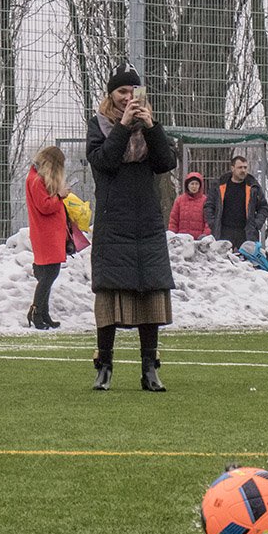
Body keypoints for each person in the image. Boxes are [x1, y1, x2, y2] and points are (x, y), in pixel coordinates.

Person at [86, 63, 178, 391]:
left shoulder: (150, 127)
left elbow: (166, 162)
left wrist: (151, 126)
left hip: (147, 223)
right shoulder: (99, 126)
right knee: (109, 294)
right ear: (111, 94)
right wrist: (124, 126)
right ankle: (104, 366)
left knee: (151, 292)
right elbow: (105, 162)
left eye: (133, 91)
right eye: (122, 91)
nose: (128, 97)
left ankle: (150, 368)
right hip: (114, 223)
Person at [25, 146, 71, 330]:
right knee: (50, 274)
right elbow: (44, 206)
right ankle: (36, 311)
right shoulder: (36, 181)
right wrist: (59, 196)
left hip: (49, 233)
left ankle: (44, 313)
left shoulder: (36, 179)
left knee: (48, 274)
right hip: (46, 234)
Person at [203, 155, 268, 250]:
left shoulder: (253, 187)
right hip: (223, 232)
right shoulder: (219, 185)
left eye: (245, 167)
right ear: (232, 168)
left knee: (246, 263)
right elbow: (209, 205)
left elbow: (263, 207)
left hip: (246, 233)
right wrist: (213, 223)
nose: (243, 170)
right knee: (223, 263)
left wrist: (256, 224)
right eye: (240, 167)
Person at [168, 172, 209, 239]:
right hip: (182, 240)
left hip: (199, 240)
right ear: (187, 185)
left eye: (196, 184)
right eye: (192, 184)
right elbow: (173, 221)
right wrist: (172, 235)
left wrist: (205, 235)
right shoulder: (179, 200)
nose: (194, 186)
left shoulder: (205, 201)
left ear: (200, 186)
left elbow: (208, 221)